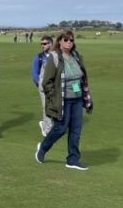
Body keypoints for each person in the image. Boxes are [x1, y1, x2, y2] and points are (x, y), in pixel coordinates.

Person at [35, 30, 92, 170]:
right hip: (63, 99)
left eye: (71, 40)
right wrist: (53, 97)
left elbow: (81, 77)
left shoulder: (76, 56)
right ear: (59, 41)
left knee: (76, 129)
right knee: (61, 128)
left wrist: (85, 96)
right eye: (65, 40)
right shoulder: (54, 57)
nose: (69, 43)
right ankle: (43, 148)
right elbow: (46, 82)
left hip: (77, 98)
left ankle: (72, 159)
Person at [31, 35, 54, 137]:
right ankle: (47, 128)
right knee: (46, 106)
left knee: (55, 106)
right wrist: (40, 85)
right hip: (43, 88)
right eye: (41, 44)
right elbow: (34, 73)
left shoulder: (57, 56)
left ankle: (47, 124)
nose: (42, 46)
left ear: (50, 44)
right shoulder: (39, 57)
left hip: (55, 87)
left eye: (44, 44)